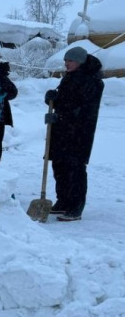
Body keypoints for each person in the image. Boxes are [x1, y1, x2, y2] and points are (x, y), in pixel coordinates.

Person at [44, 46, 104, 222]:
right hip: (62, 130)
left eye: (70, 61)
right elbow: (64, 102)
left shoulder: (92, 81)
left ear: (80, 62)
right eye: (65, 61)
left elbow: (83, 108)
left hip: (79, 132)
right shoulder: (69, 78)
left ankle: (76, 206)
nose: (66, 64)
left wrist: (62, 115)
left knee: (75, 168)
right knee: (60, 166)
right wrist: (51, 99)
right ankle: (63, 201)